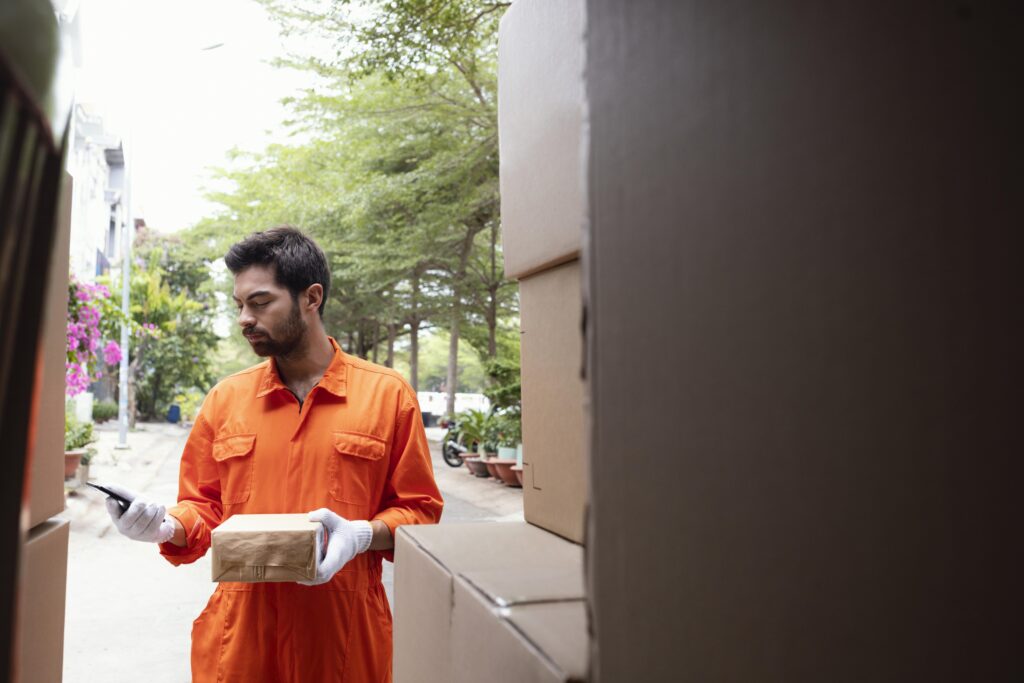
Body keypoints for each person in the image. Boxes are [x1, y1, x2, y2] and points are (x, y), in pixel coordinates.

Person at [103, 226, 443, 682]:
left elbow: (420, 512)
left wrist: (362, 535)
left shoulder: (387, 396)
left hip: (340, 643)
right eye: (239, 305)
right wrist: (163, 525)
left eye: (260, 303)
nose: (244, 318)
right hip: (241, 642)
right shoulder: (227, 400)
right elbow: (203, 508)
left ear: (311, 297)